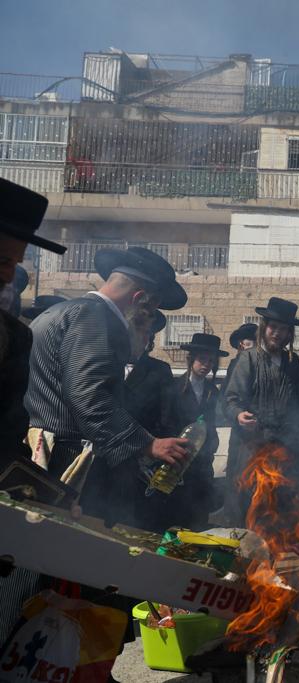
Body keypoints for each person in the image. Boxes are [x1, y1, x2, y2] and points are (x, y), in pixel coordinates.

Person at [25, 246, 190, 526]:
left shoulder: (58, 311)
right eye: (150, 312)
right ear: (140, 299)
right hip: (67, 461)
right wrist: (147, 443)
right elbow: (88, 395)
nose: (147, 321)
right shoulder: (97, 318)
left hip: (39, 454)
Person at [0, 178, 65, 643]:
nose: (8, 277)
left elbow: (5, 439)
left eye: (15, 265)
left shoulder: (13, 336)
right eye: (2, 261)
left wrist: (49, 496)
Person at [223, 297, 299, 526]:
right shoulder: (247, 359)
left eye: (283, 329)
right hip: (251, 447)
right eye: (273, 327)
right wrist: (239, 415)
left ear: (290, 334)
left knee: (278, 510)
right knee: (247, 505)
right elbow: (230, 400)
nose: (277, 333)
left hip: (282, 448)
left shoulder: (293, 363)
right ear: (264, 328)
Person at [140, 333, 228, 532]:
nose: (206, 365)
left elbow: (212, 426)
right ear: (191, 359)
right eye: (202, 359)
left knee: (197, 519)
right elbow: (164, 423)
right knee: (171, 517)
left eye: (211, 361)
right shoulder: (173, 388)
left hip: (201, 467)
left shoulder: (212, 391)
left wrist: (209, 448)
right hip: (176, 465)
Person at [124, 311, 174, 441]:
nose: (141, 337)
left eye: (147, 333)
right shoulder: (107, 364)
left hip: (143, 450)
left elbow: (166, 417)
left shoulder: (160, 370)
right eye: (137, 330)